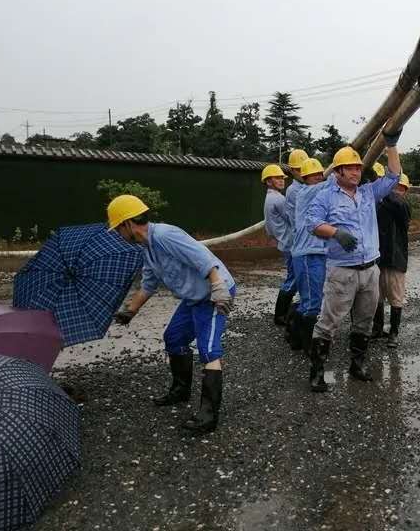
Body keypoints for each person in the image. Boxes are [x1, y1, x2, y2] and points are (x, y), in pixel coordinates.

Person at [109, 194, 235, 434]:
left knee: (209, 350)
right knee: (174, 338)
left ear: (127, 223)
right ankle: (180, 390)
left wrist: (218, 288)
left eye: (117, 228)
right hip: (193, 297)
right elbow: (148, 284)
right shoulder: (147, 248)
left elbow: (204, 259)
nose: (118, 234)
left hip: (212, 294)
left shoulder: (166, 235)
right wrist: (130, 311)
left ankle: (208, 416)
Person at [305, 133, 403, 393]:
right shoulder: (325, 197)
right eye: (350, 167)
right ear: (337, 171)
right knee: (328, 322)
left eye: (359, 167)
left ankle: (357, 365)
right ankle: (316, 372)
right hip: (342, 271)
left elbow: (393, 176)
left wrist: (391, 146)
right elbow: (312, 223)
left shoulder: (368, 193)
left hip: (370, 270)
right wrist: (335, 232)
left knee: (364, 322)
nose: (356, 172)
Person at [289, 158, 329, 351]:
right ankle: (307, 345)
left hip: (316, 252)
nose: (318, 178)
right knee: (312, 302)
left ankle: (295, 338)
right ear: (304, 178)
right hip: (306, 255)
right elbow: (331, 182)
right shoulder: (306, 193)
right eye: (313, 175)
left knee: (312, 299)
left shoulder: (319, 194)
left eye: (320, 174)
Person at [372, 173, 411, 348]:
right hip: (378, 258)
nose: (396, 190)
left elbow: (397, 204)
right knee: (376, 297)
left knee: (396, 298)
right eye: (393, 187)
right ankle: (377, 329)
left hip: (395, 259)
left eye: (399, 187)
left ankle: (393, 333)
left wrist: (384, 189)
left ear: (405, 191)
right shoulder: (381, 204)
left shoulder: (402, 206)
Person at [262, 163, 297, 329]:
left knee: (292, 277)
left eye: (282, 177)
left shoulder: (269, 198)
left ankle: (282, 313)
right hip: (290, 243)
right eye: (277, 178)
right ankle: (281, 315)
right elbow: (293, 219)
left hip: (283, 242)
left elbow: (269, 228)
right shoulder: (279, 199)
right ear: (268, 181)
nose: (281, 180)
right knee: (293, 278)